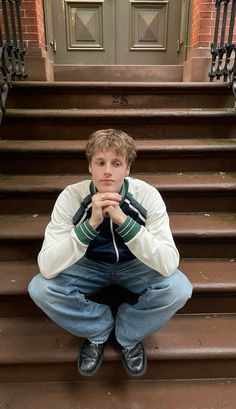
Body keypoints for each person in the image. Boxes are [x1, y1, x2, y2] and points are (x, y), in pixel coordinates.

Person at [28, 128, 192, 377]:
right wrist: (90, 224)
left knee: (179, 288)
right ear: (90, 167)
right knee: (40, 288)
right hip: (88, 265)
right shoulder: (71, 197)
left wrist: (124, 222)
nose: (107, 170)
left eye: (116, 163)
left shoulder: (147, 196)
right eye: (100, 162)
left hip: (135, 265)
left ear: (127, 169)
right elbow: (47, 266)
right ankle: (98, 328)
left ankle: (128, 333)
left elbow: (168, 262)